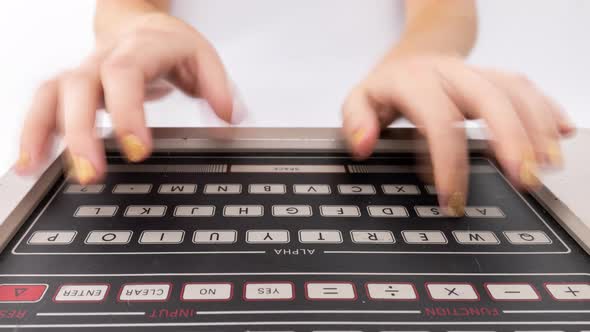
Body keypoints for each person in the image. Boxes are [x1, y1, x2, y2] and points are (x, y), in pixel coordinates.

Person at [13, 0, 575, 216]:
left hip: (387, 157)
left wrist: (420, 57)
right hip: (180, 169)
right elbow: (125, 8)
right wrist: (136, 31)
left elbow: (445, 11)